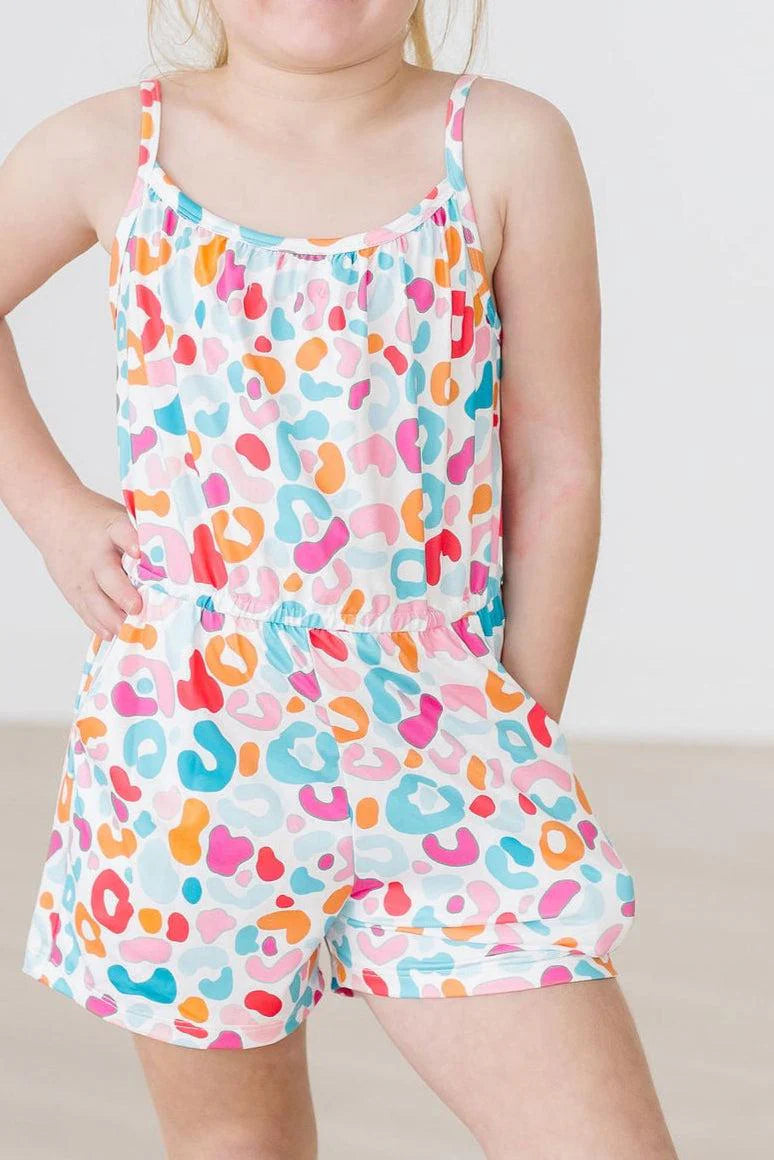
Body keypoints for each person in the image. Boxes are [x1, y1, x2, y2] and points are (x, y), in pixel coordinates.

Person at [0, 2, 677, 1156]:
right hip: (192, 753)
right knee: (236, 1139)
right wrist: (55, 512)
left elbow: (558, 461)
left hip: (447, 731)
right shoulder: (107, 147)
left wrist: (522, 716)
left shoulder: (507, 146)